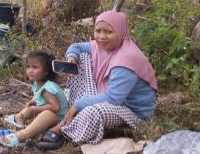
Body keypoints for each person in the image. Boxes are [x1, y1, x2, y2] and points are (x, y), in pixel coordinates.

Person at [37, 10, 158, 150]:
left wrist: (78, 104)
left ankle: (62, 129)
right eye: (98, 30)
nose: (101, 36)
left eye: (108, 32)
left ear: (121, 32)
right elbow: (77, 46)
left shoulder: (127, 59)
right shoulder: (101, 46)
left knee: (93, 112)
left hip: (132, 113)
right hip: (110, 96)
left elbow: (114, 98)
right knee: (82, 57)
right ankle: (76, 115)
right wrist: (72, 57)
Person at [0, 51, 69, 147]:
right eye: (28, 67)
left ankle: (21, 136)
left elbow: (56, 107)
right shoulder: (37, 83)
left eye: (35, 67)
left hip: (60, 118)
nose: (30, 70)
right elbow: (40, 98)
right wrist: (34, 101)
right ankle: (19, 118)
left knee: (45, 113)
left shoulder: (48, 88)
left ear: (46, 71)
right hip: (53, 115)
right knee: (32, 106)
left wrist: (36, 109)